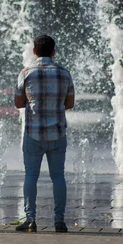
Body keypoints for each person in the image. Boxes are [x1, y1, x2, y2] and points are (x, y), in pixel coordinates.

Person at [14, 34, 75, 233]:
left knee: (31, 175)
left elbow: (18, 103)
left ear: (34, 51)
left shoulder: (26, 73)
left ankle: (30, 219)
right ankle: (59, 221)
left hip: (33, 133)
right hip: (57, 133)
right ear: (53, 51)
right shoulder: (64, 73)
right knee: (58, 177)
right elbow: (70, 104)